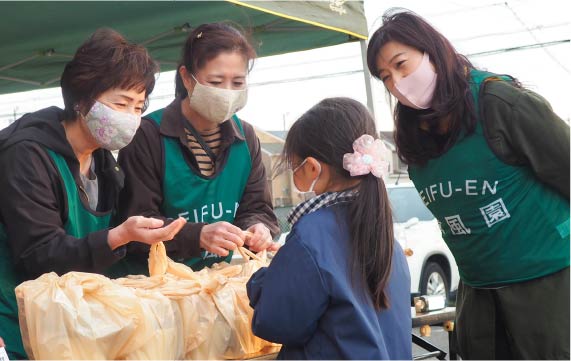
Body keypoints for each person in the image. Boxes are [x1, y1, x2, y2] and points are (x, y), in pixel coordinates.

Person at [367, 9, 570, 359]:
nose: (397, 84)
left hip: (547, 289)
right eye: (385, 77)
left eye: (401, 64)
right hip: (478, 294)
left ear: (432, 51)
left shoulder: (500, 104)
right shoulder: (414, 137)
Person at [0, 29, 186, 360]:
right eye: (121, 103)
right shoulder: (27, 154)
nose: (131, 117)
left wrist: (198, 235)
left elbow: (126, 235)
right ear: (82, 99)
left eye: (139, 107)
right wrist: (116, 237)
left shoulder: (103, 162)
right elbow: (38, 253)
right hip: (18, 323)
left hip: (66, 321)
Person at [246, 97, 412, 360]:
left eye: (294, 166)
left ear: (312, 167)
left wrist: (261, 280)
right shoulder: (386, 236)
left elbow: (276, 322)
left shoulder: (312, 234)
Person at [117, 23, 280, 271]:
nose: (227, 92)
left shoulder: (246, 137)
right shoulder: (147, 135)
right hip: (151, 286)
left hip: (212, 280)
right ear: (187, 78)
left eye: (237, 83)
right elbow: (136, 222)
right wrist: (197, 235)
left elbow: (257, 207)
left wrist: (258, 228)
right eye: (216, 81)